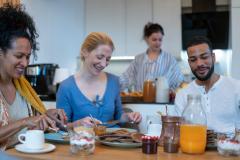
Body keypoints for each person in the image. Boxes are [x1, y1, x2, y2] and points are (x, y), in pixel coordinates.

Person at [0, 4, 67, 150]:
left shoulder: (22, 85)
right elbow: (27, 121)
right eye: (19, 56)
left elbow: (33, 121)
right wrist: (24, 122)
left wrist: (47, 115)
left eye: (28, 57)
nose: (24, 63)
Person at [56, 32, 142, 126]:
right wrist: (77, 124)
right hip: (82, 139)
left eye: (108, 59)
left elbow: (119, 116)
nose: (103, 64)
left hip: (112, 139)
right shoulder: (66, 87)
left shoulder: (113, 81)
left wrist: (129, 116)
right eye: (99, 57)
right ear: (85, 52)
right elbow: (61, 127)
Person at [175, 36, 240, 134]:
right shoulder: (182, 95)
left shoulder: (236, 87)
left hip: (232, 147)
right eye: (193, 60)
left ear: (213, 57)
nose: (199, 63)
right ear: (189, 63)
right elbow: (180, 132)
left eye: (204, 57)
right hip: (195, 146)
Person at [120, 22, 184, 91]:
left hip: (163, 100)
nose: (157, 43)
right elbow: (125, 78)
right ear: (147, 39)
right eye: (154, 40)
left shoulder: (170, 59)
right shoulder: (138, 59)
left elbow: (179, 81)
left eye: (160, 40)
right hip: (140, 101)